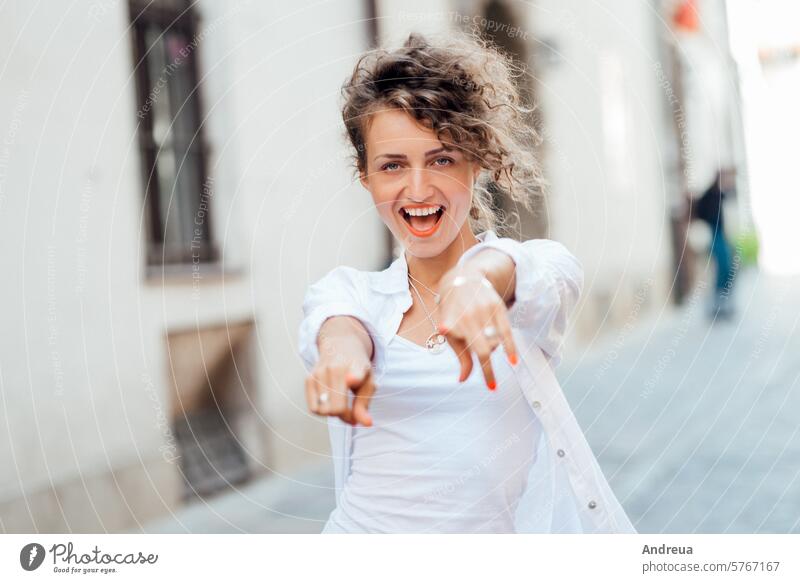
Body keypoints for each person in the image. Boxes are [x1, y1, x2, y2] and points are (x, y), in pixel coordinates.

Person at [297, 32, 635, 533]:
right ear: (366, 178)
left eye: (441, 160)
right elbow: (338, 328)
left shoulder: (532, 276)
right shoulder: (351, 294)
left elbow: (535, 272)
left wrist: (477, 279)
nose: (417, 189)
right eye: (392, 166)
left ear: (476, 161)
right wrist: (341, 360)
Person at [668, 0, 740, 318]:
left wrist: (694, 180)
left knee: (717, 239)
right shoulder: (704, 57)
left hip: (707, 172)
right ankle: (723, 294)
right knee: (717, 237)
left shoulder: (693, 57)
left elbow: (698, 127)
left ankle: (723, 294)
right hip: (713, 169)